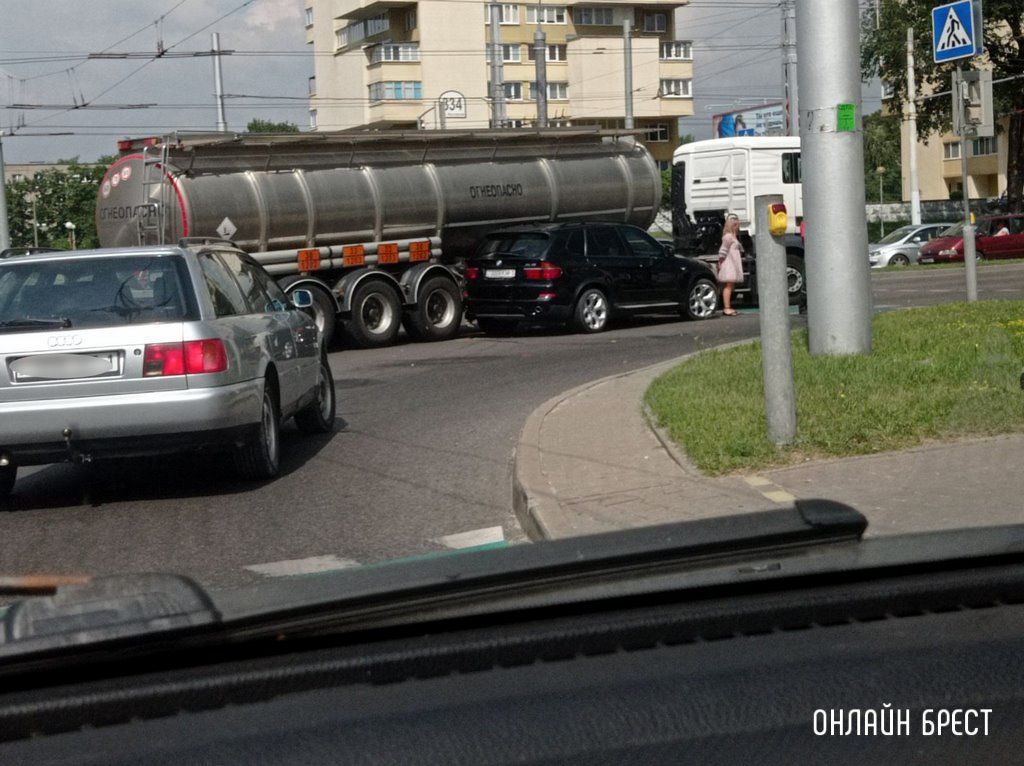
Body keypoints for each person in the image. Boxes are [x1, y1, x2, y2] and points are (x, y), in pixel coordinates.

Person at [717, 214, 744, 316]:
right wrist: (720, 262)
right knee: (728, 286)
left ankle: (728, 306)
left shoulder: (732, 237)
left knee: (730, 286)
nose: (738, 227)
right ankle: (727, 308)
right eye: (736, 225)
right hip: (729, 264)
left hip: (732, 263)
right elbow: (722, 251)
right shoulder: (728, 237)